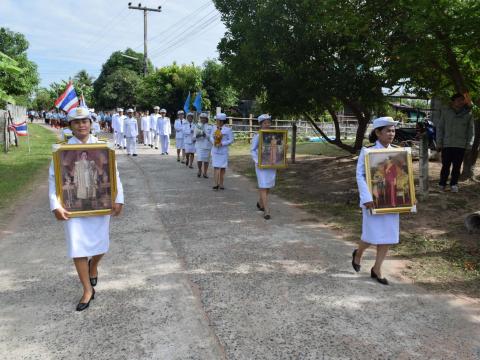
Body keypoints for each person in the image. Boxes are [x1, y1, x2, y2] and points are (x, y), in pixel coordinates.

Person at [48, 106, 124, 311]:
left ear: (91, 124)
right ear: (71, 126)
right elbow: (55, 178)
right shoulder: (62, 150)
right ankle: (87, 289)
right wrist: (55, 204)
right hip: (73, 206)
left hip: (99, 201)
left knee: (101, 244)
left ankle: (94, 266)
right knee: (77, 245)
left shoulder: (103, 147)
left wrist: (119, 198)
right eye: (77, 122)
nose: (82, 125)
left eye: (85, 121)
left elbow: (113, 173)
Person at [352, 116, 400, 286]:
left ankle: (377, 268)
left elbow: (402, 176)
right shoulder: (367, 151)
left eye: (393, 130)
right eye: (388, 130)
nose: (391, 134)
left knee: (388, 235)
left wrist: (406, 196)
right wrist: (366, 197)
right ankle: (358, 253)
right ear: (378, 132)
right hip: (373, 200)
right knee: (371, 235)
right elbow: (360, 175)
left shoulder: (398, 151)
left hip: (391, 201)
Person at [436, 93, 475, 193]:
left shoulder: (468, 114)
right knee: (445, 166)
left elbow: (471, 131)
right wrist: (439, 142)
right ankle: (442, 184)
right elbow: (440, 128)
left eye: (462, 100)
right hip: (447, 144)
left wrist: (469, 144)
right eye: (458, 100)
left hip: (460, 145)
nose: (461, 102)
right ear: (453, 101)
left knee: (457, 167)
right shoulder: (446, 112)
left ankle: (454, 184)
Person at [251, 114, 276, 220]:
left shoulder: (274, 135)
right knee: (263, 185)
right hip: (261, 165)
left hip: (271, 164)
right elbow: (252, 150)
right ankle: (266, 210)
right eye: (265, 123)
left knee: (268, 185)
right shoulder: (258, 136)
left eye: (268, 122)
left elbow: (278, 147)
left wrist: (284, 148)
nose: (267, 124)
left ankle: (260, 203)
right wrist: (257, 161)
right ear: (260, 124)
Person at [210, 113, 234, 190]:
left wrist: (222, 143)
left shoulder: (228, 129)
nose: (216, 121)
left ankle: (221, 184)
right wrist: (213, 142)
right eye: (216, 120)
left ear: (221, 121)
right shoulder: (213, 128)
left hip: (223, 151)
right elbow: (210, 136)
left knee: (223, 168)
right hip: (215, 150)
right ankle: (215, 184)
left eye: (217, 120)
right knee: (216, 166)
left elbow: (231, 140)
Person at [194, 112, 213, 178]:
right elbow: (194, 136)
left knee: (206, 160)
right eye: (201, 118)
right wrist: (198, 135)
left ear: (207, 119)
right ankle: (199, 170)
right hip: (199, 145)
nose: (203, 119)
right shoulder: (197, 126)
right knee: (199, 159)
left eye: (204, 118)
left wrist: (206, 135)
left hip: (207, 145)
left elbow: (211, 136)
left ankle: (205, 172)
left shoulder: (210, 126)